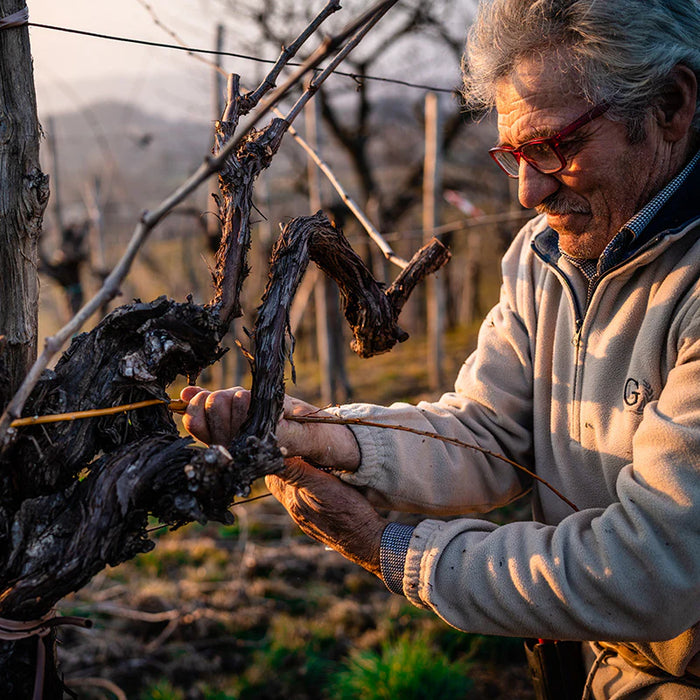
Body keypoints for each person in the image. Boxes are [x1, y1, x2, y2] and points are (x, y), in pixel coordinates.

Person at [181, 0, 700, 697]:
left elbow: (654, 566)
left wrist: (391, 551)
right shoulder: (543, 256)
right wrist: (330, 437)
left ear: (671, 104)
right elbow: (488, 432)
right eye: (513, 154)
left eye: (554, 146)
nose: (527, 190)